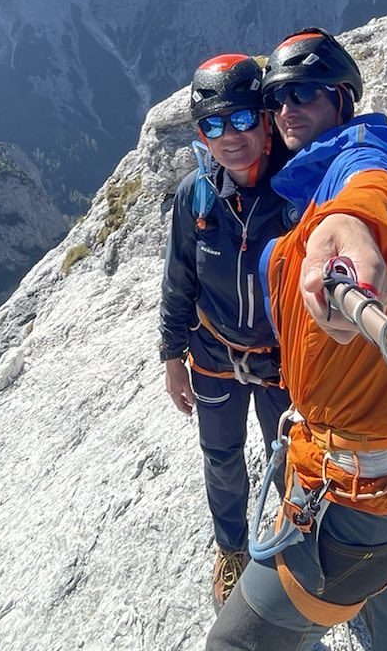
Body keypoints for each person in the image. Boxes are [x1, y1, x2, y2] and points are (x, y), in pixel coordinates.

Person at [207, 28, 387, 651]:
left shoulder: (363, 165)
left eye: (308, 94)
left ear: (342, 102)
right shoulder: (321, 179)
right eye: (280, 98)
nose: (289, 110)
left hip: (349, 499)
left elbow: (371, 197)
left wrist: (348, 223)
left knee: (233, 646)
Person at [160, 54, 294, 610]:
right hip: (212, 353)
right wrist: (172, 356)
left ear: (265, 118)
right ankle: (233, 549)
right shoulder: (195, 195)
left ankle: (293, 544)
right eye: (213, 125)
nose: (230, 135)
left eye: (241, 118)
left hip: (280, 361)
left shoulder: (297, 188)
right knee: (220, 456)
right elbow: (179, 280)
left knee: (287, 456)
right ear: (200, 134)